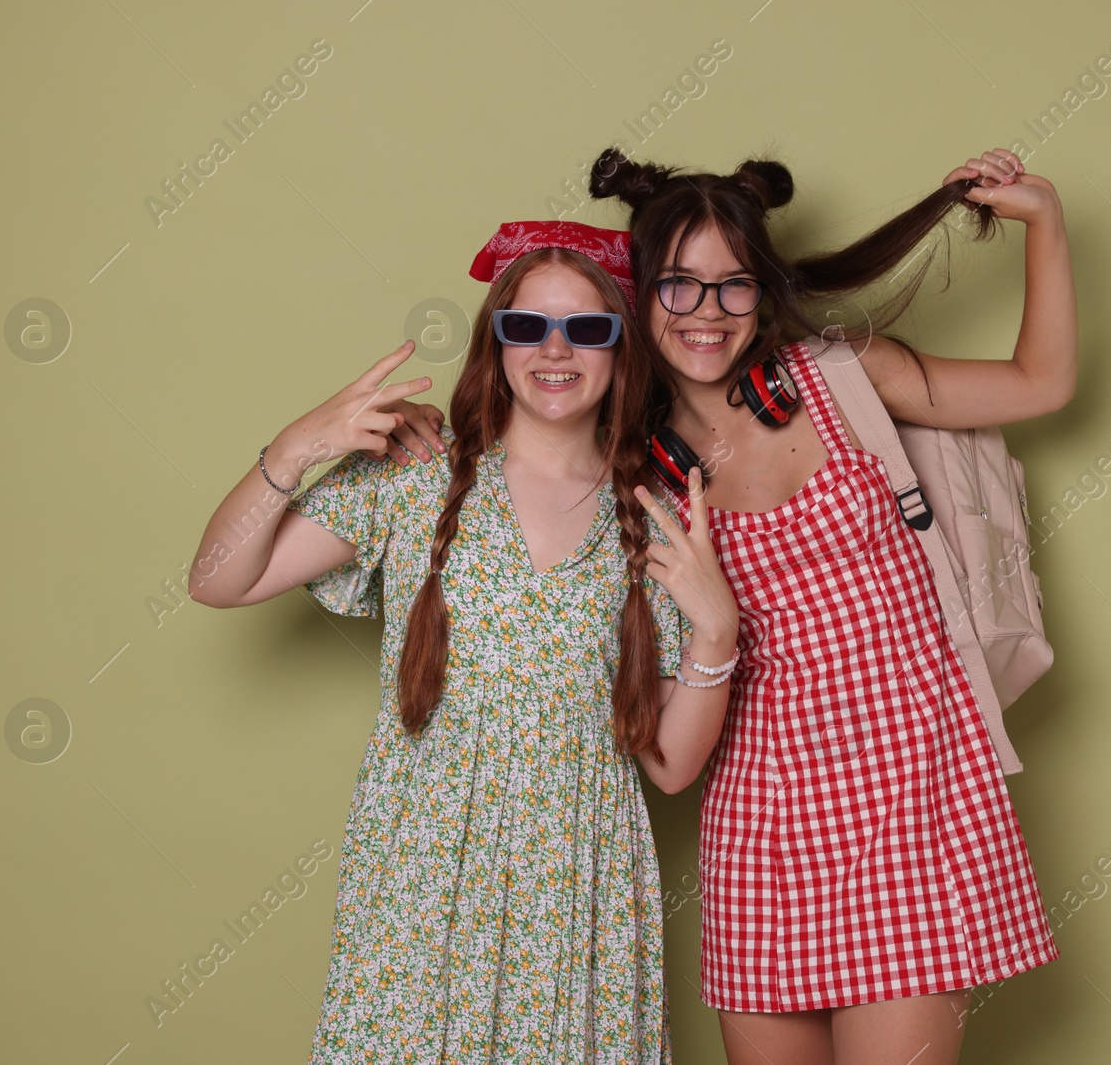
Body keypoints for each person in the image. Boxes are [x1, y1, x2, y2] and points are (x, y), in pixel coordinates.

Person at [186, 220, 740, 1064]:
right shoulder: (416, 477)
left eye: (587, 328)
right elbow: (218, 578)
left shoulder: (655, 514)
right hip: (423, 884)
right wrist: (302, 444)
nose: (556, 350)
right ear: (497, 341)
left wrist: (717, 629)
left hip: (577, 895)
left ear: (621, 349)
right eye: (528, 326)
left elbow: (669, 764)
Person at [586, 147, 1078, 1065]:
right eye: (680, 286)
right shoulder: (634, 468)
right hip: (761, 818)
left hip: (913, 792)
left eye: (733, 286)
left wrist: (1045, 220)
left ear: (762, 291)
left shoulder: (846, 379)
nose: (707, 313)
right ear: (641, 293)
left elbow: (1040, 383)